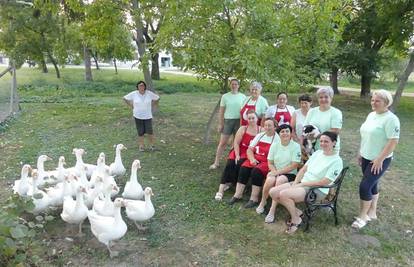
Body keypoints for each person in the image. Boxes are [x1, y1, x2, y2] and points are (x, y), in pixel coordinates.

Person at [268, 131, 343, 234]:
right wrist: (295, 183)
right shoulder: (317, 153)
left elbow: (324, 182)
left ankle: (296, 219)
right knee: (273, 192)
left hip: (317, 189)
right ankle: (298, 212)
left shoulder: (336, 161)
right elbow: (303, 170)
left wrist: (302, 184)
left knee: (283, 194)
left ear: (334, 143)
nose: (323, 144)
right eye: (321, 141)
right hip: (302, 183)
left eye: (326, 141)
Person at [351, 90, 400, 229]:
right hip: (366, 157)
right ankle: (372, 212)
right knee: (373, 184)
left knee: (365, 186)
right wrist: (361, 152)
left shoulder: (391, 119)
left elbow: (393, 141)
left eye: (377, 101)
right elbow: (365, 135)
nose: (374, 103)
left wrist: (379, 159)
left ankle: (362, 217)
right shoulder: (371, 115)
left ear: (386, 103)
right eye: (372, 100)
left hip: (379, 160)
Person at [228, 118, 280, 208]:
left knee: (256, 172)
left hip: (267, 161)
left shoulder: (277, 140)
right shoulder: (260, 135)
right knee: (244, 168)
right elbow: (249, 149)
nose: (267, 127)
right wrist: (252, 159)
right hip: (255, 158)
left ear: (275, 127)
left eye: (270, 125)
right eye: (265, 125)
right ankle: (238, 194)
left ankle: (254, 198)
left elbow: (276, 157)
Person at [255, 124, 301, 223]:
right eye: (282, 131)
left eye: (287, 131)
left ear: (290, 133)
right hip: (275, 170)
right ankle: (263, 202)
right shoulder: (275, 145)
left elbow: (294, 165)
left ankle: (272, 209)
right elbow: (270, 162)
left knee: (280, 180)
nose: (285, 133)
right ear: (279, 134)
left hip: (289, 173)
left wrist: (278, 173)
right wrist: (274, 172)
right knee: (270, 179)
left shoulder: (296, 146)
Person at [214, 110, 261, 201]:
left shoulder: (261, 130)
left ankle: (234, 183)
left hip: (250, 153)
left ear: (257, 118)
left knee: (241, 164)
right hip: (239, 150)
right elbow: (236, 143)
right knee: (230, 163)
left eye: (253, 118)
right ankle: (220, 190)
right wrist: (237, 154)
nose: (251, 120)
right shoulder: (243, 128)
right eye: (249, 118)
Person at [210, 79, 246, 169]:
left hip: (239, 121)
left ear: (238, 85)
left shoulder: (243, 97)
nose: (234, 86)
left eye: (236, 84)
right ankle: (216, 162)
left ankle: (231, 162)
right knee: (222, 142)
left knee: (235, 143)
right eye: (232, 84)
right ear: (230, 85)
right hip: (228, 121)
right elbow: (221, 112)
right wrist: (220, 124)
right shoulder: (225, 96)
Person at [303, 87, 342, 153]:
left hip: (329, 149)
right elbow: (305, 127)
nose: (323, 99)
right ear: (318, 99)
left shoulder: (336, 112)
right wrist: (307, 137)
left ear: (331, 98)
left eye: (326, 97)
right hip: (313, 148)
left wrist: (317, 136)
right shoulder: (312, 111)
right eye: (321, 97)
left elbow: (335, 131)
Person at [123, 81, 160, 152]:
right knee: (140, 132)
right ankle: (141, 146)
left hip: (147, 116)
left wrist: (153, 105)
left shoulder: (149, 93)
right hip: (138, 116)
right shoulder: (134, 93)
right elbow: (125, 98)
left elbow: (157, 98)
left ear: (145, 86)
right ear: (137, 87)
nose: (141, 87)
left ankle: (152, 146)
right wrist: (131, 105)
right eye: (140, 86)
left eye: (143, 85)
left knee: (150, 132)